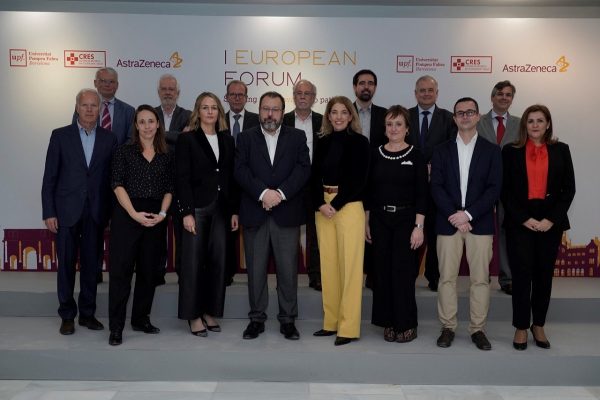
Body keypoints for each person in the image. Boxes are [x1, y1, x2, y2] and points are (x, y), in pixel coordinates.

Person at [234, 91, 311, 341]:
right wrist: (263, 193)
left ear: (282, 112)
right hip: (255, 212)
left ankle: (288, 320)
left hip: (286, 213)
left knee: (288, 271)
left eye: (275, 109)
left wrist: (280, 194)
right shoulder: (245, 137)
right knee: (256, 271)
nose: (270, 114)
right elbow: (240, 170)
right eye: (265, 109)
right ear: (259, 110)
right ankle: (256, 319)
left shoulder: (297, 137)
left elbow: (303, 169)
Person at [42, 88, 117, 336]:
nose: (89, 109)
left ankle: (87, 314)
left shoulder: (109, 139)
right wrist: (49, 211)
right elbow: (49, 177)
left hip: (96, 212)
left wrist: (111, 213)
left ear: (100, 109)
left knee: (91, 266)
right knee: (65, 265)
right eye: (84, 105)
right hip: (65, 212)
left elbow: (112, 179)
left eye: (94, 105)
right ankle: (67, 315)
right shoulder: (60, 136)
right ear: (77, 107)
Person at [501, 104, 575, 350]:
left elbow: (568, 189)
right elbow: (505, 190)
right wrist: (523, 218)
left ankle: (539, 324)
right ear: (524, 124)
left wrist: (551, 220)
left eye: (540, 120)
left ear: (548, 124)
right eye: (530, 120)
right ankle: (521, 327)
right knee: (521, 276)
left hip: (549, 223)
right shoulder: (510, 151)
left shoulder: (561, 150)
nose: (535, 125)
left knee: (544, 276)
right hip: (520, 222)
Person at [431, 97, 501, 351]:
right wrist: (454, 214)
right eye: (460, 113)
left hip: (479, 223)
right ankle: (448, 327)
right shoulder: (441, 150)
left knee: (480, 280)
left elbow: (494, 188)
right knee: (446, 279)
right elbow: (436, 186)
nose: (465, 116)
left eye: (470, 112)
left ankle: (477, 329)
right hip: (447, 222)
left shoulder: (492, 151)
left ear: (478, 116)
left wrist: (468, 215)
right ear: (454, 118)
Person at [107, 105, 174, 346]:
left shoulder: (166, 154)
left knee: (149, 272)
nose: (147, 126)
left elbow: (170, 188)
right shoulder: (123, 151)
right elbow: (117, 185)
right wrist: (134, 214)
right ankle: (116, 327)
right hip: (128, 215)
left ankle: (140, 319)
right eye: (142, 122)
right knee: (121, 273)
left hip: (155, 218)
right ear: (136, 125)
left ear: (158, 124)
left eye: (151, 121)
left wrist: (163, 214)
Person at [176, 92, 239, 336]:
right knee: (193, 264)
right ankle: (193, 316)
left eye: (214, 107)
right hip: (197, 209)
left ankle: (210, 311)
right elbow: (182, 178)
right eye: (205, 107)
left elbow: (230, 178)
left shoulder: (227, 140)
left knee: (218, 264)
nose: (210, 111)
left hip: (222, 209)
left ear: (219, 112)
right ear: (198, 111)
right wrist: (186, 212)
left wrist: (234, 211)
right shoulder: (187, 139)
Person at [365, 105, 428, 343]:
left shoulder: (416, 155)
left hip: (406, 221)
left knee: (402, 274)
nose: (393, 129)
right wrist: (367, 221)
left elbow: (422, 194)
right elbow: (369, 191)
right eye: (390, 124)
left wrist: (419, 227)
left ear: (407, 128)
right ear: (384, 128)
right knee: (382, 273)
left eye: (398, 124)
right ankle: (388, 322)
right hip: (379, 220)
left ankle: (406, 323)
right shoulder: (375, 154)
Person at [311, 96, 370, 346]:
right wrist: (320, 203)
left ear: (350, 116)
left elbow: (360, 180)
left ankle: (348, 328)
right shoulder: (322, 141)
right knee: (329, 267)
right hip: (323, 207)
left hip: (348, 206)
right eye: (333, 112)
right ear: (328, 116)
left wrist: (334, 205)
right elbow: (313, 175)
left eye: (343, 112)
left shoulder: (360, 142)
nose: (338, 117)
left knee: (350, 269)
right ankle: (331, 322)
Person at [407, 75, 457, 292]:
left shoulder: (449, 119)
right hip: (409, 188)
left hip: (438, 188)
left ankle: (434, 277)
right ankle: (408, 275)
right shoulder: (405, 116)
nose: (426, 94)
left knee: (437, 234)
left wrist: (434, 168)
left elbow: (453, 150)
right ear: (415, 93)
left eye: (430, 90)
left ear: (437, 93)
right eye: (422, 90)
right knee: (410, 233)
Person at [477, 80, 521, 295]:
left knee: (506, 231)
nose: (504, 97)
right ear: (492, 97)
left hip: (509, 186)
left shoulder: (521, 124)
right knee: (480, 231)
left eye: (508, 95)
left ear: (512, 99)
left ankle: (507, 278)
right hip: (481, 185)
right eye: (500, 94)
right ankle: (480, 276)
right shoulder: (478, 121)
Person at [283, 79, 324, 291]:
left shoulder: (323, 121)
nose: (302, 96)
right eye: (299, 93)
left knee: (316, 233)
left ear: (314, 98)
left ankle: (316, 276)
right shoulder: (283, 120)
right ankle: (286, 278)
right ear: (293, 96)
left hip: (315, 185)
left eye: (307, 93)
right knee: (288, 233)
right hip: (289, 185)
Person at [351, 69, 387, 290]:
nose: (366, 87)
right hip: (349, 181)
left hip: (377, 180)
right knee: (351, 229)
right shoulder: (344, 112)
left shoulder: (385, 115)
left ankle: (373, 275)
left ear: (375, 87)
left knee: (375, 229)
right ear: (355, 87)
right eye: (362, 83)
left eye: (370, 83)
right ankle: (353, 276)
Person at [155, 73, 192, 279]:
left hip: (180, 182)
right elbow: (143, 138)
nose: (168, 93)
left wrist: (158, 134)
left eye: (171, 89)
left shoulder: (189, 115)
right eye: (164, 89)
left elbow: (189, 141)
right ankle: (157, 272)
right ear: (158, 92)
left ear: (178, 93)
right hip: (154, 183)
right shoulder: (149, 113)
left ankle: (182, 273)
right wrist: (177, 135)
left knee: (181, 232)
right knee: (156, 231)